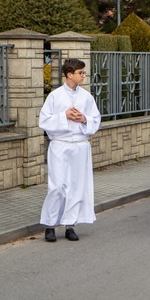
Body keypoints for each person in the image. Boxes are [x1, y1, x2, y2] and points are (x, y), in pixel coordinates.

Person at [39, 58, 101, 242]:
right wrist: (64, 116)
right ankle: (50, 225)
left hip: (80, 146)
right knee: (57, 186)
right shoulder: (55, 96)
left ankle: (69, 224)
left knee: (76, 186)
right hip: (61, 145)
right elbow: (44, 121)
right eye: (80, 73)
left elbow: (95, 119)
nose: (84, 76)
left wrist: (83, 119)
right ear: (69, 74)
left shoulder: (86, 97)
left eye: (84, 72)